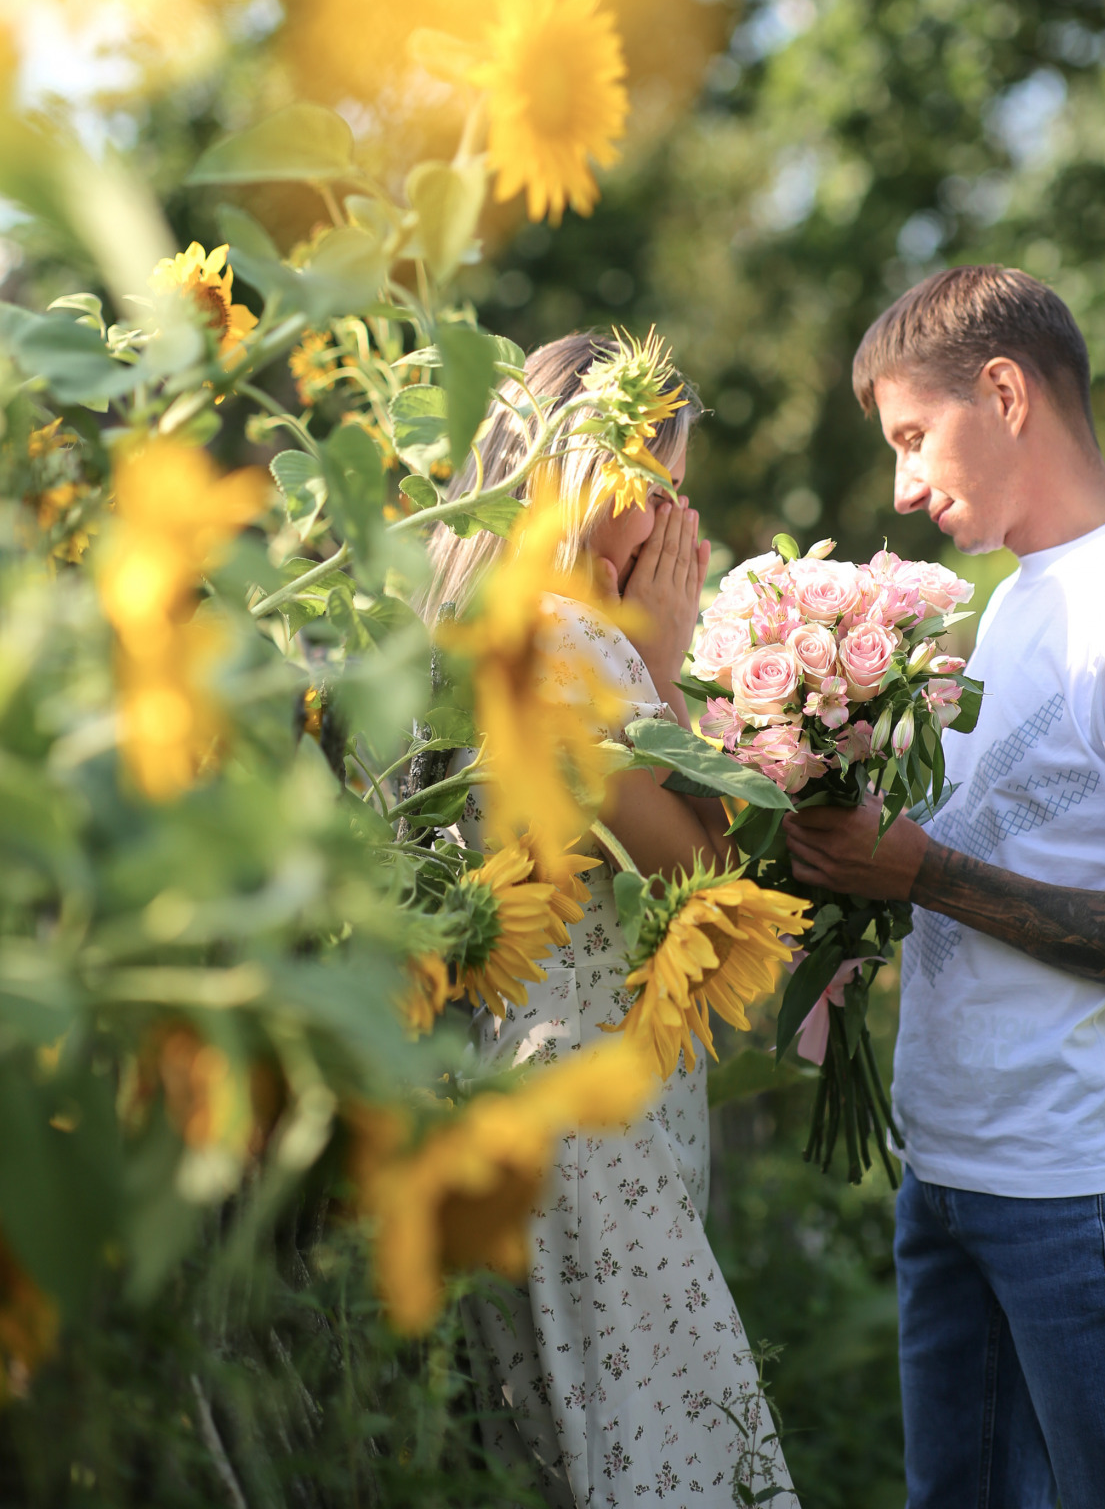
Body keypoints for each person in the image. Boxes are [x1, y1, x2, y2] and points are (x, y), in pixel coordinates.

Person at [785, 265, 1105, 1509]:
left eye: (910, 437)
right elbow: (999, 854)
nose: (900, 485)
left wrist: (925, 872)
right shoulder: (1013, 602)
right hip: (951, 1169)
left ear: (1001, 392)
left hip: (1079, 1188)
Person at [428, 333, 795, 1509]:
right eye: (657, 490)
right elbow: (699, 869)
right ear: (584, 482)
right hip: (587, 1127)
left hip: (533, 1097)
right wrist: (669, 661)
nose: (673, 529)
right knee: (672, 1465)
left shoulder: (488, 622)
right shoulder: (572, 644)